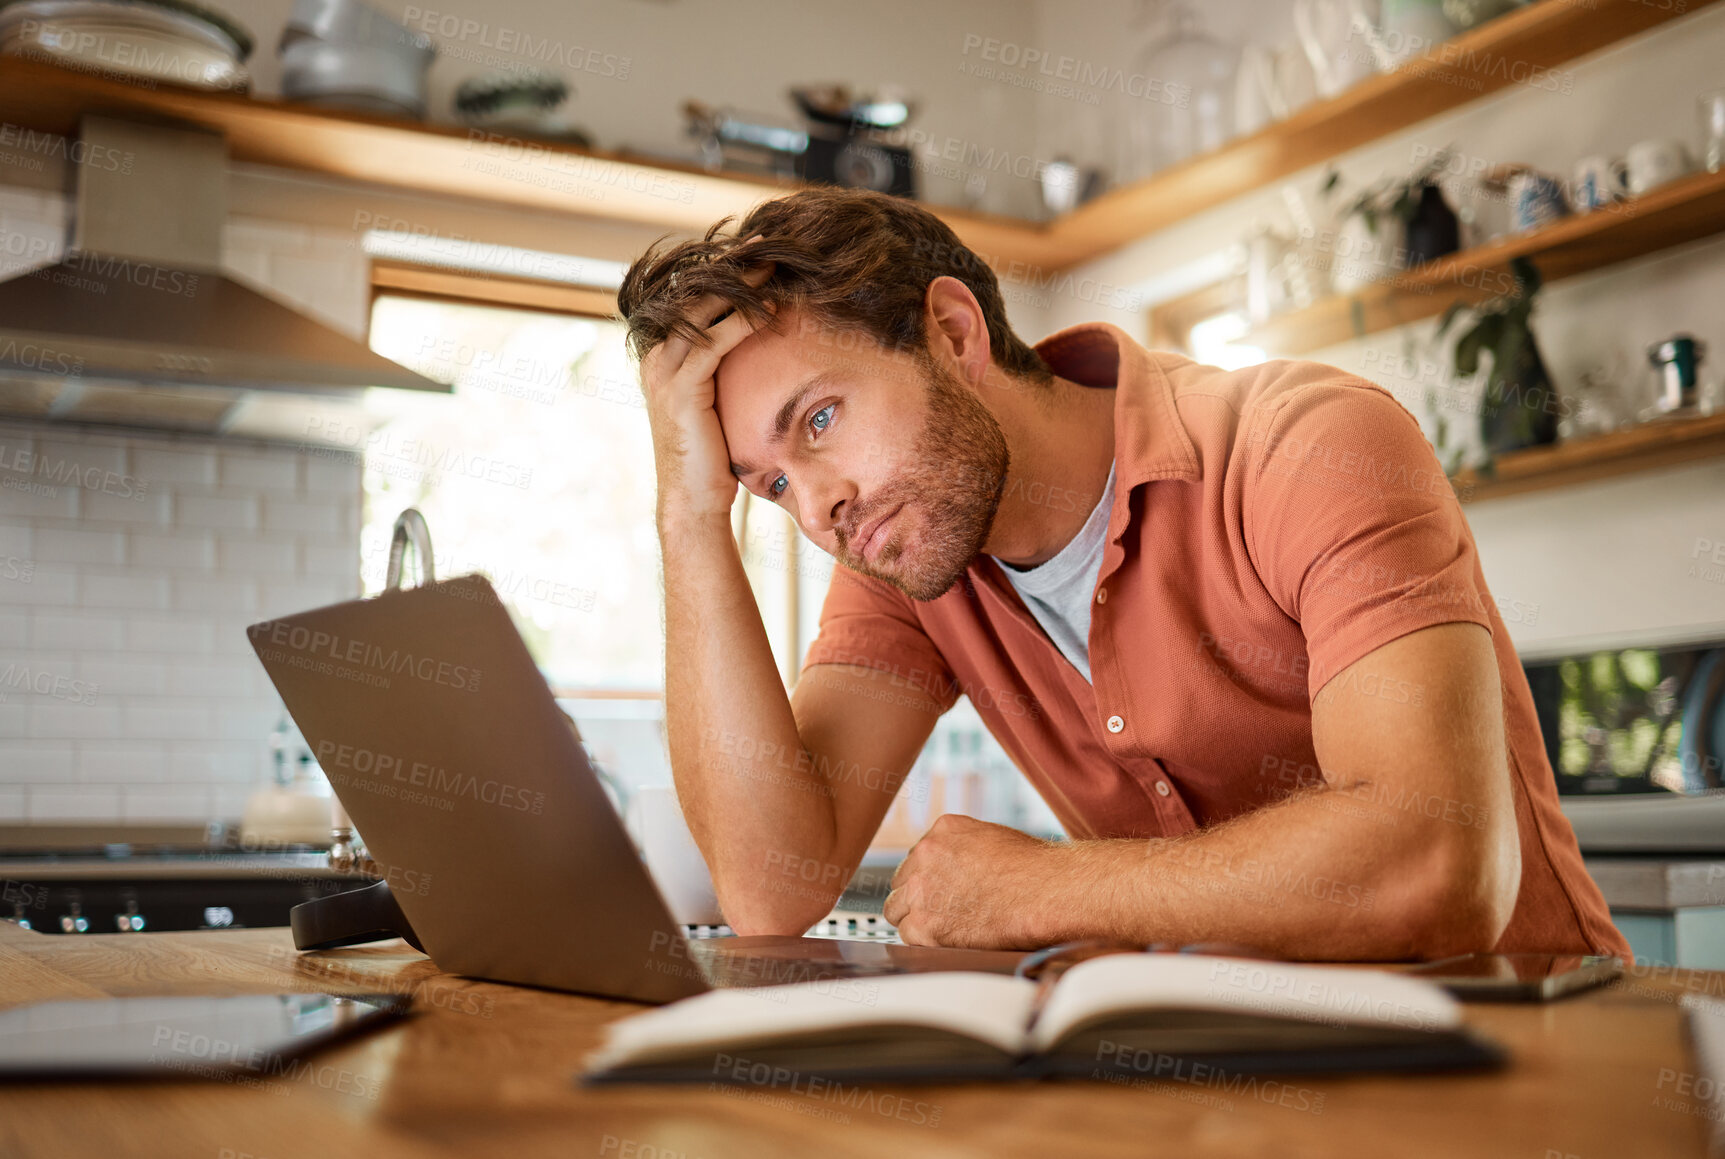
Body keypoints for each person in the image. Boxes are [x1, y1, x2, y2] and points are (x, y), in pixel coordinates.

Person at [618, 186, 1628, 960]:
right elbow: (770, 887)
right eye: (772, 486)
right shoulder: (910, 558)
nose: (820, 506)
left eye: (821, 421)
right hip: (1249, 1089)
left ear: (955, 334)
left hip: (1526, 1067)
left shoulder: (1309, 445)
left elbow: (1439, 861)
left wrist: (1041, 890)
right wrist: (690, 517)